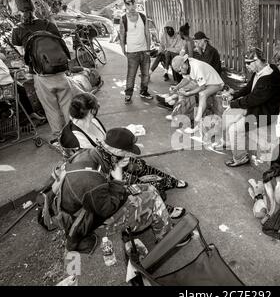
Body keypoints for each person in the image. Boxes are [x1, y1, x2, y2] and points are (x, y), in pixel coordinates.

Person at [59, 93, 187, 198]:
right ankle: (159, 204)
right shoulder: (73, 139)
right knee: (134, 183)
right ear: (89, 111)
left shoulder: (92, 120)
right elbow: (90, 169)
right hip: (100, 174)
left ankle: (169, 181)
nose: (95, 115)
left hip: (111, 159)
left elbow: (107, 142)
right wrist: (117, 165)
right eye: (93, 112)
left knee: (139, 165)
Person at [11, 0, 84, 143]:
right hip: (59, 72)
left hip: (41, 76)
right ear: (33, 6)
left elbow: (23, 54)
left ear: (17, 9)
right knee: (67, 105)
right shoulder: (48, 24)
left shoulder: (18, 30)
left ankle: (60, 139)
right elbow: (61, 45)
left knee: (51, 109)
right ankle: (75, 134)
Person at [57, 127, 138, 253]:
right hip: (79, 221)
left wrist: (117, 165)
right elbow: (107, 209)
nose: (128, 156)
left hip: (78, 202)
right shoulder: (92, 181)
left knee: (131, 188)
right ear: (116, 151)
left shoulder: (91, 153)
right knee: (138, 198)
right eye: (127, 152)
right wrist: (117, 180)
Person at [218, 48, 280, 167]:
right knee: (227, 116)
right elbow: (249, 88)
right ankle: (227, 143)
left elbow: (253, 99)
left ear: (257, 61)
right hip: (255, 108)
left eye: (248, 62)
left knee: (234, 129)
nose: (246, 65)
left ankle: (240, 157)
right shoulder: (260, 72)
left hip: (264, 114)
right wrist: (234, 96)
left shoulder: (268, 79)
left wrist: (233, 104)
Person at [170, 54, 224, 134]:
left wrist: (189, 93)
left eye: (179, 71)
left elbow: (202, 87)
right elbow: (186, 79)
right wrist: (177, 87)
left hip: (216, 84)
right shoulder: (187, 65)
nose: (180, 73)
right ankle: (183, 114)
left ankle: (197, 122)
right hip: (206, 83)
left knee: (202, 94)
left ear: (183, 66)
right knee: (183, 89)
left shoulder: (196, 66)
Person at [119, 0, 153, 104]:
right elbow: (122, 35)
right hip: (132, 52)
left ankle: (144, 91)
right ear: (125, 5)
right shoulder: (123, 19)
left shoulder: (143, 17)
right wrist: (123, 49)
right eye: (128, 4)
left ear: (135, 3)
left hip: (144, 50)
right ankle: (128, 94)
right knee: (131, 75)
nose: (131, 6)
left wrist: (148, 49)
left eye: (132, 3)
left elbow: (147, 33)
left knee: (146, 74)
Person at [0, 55, 46, 122]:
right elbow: (5, 71)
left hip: (7, 85)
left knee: (21, 90)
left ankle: (28, 113)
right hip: (5, 87)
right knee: (20, 91)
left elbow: (3, 59)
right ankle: (9, 110)